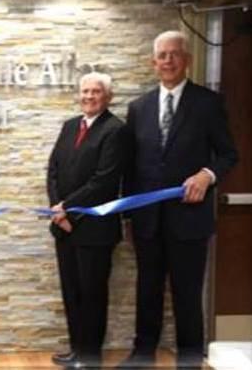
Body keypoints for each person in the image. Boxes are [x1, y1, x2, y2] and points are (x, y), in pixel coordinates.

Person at [120, 31, 238, 369]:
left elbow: (229, 155)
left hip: (190, 219)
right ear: (153, 62)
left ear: (186, 60)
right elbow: (131, 167)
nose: (168, 60)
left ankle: (189, 359)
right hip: (147, 220)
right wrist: (128, 216)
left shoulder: (208, 103)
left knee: (187, 295)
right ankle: (143, 354)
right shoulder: (138, 108)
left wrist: (207, 175)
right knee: (148, 291)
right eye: (162, 55)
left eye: (175, 54)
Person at [47, 72, 125, 369]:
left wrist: (67, 209)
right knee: (72, 292)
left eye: (96, 91)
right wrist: (57, 210)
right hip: (63, 227)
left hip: (94, 229)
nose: (89, 96)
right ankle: (76, 350)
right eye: (85, 91)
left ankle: (90, 358)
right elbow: (53, 170)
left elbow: (103, 181)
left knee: (92, 294)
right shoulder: (70, 126)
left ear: (107, 97)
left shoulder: (115, 130)